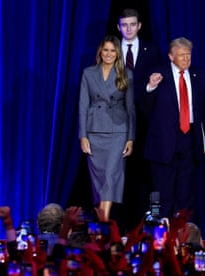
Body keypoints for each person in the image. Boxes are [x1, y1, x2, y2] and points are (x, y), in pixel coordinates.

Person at [143, 37, 205, 219]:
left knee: (186, 190)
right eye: (182, 55)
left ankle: (183, 230)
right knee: (159, 192)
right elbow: (144, 107)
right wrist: (150, 87)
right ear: (171, 56)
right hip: (163, 142)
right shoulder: (158, 75)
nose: (186, 59)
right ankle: (158, 227)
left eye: (188, 55)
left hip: (189, 139)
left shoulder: (199, 76)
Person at [78, 35, 136, 222]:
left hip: (118, 133)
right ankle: (102, 224)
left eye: (113, 50)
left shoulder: (126, 74)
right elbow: (83, 106)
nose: (109, 54)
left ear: (117, 53)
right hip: (94, 132)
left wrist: (130, 138)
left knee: (111, 178)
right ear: (100, 52)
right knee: (100, 182)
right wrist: (83, 136)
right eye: (106, 50)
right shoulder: (88, 73)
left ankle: (103, 223)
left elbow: (131, 109)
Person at [116, 8, 162, 232]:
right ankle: (120, 227)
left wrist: (148, 87)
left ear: (139, 26)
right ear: (119, 27)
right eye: (124, 25)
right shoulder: (111, 51)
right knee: (118, 176)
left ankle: (143, 226)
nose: (129, 29)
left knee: (143, 176)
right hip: (116, 123)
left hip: (144, 122)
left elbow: (155, 88)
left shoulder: (151, 51)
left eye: (132, 24)